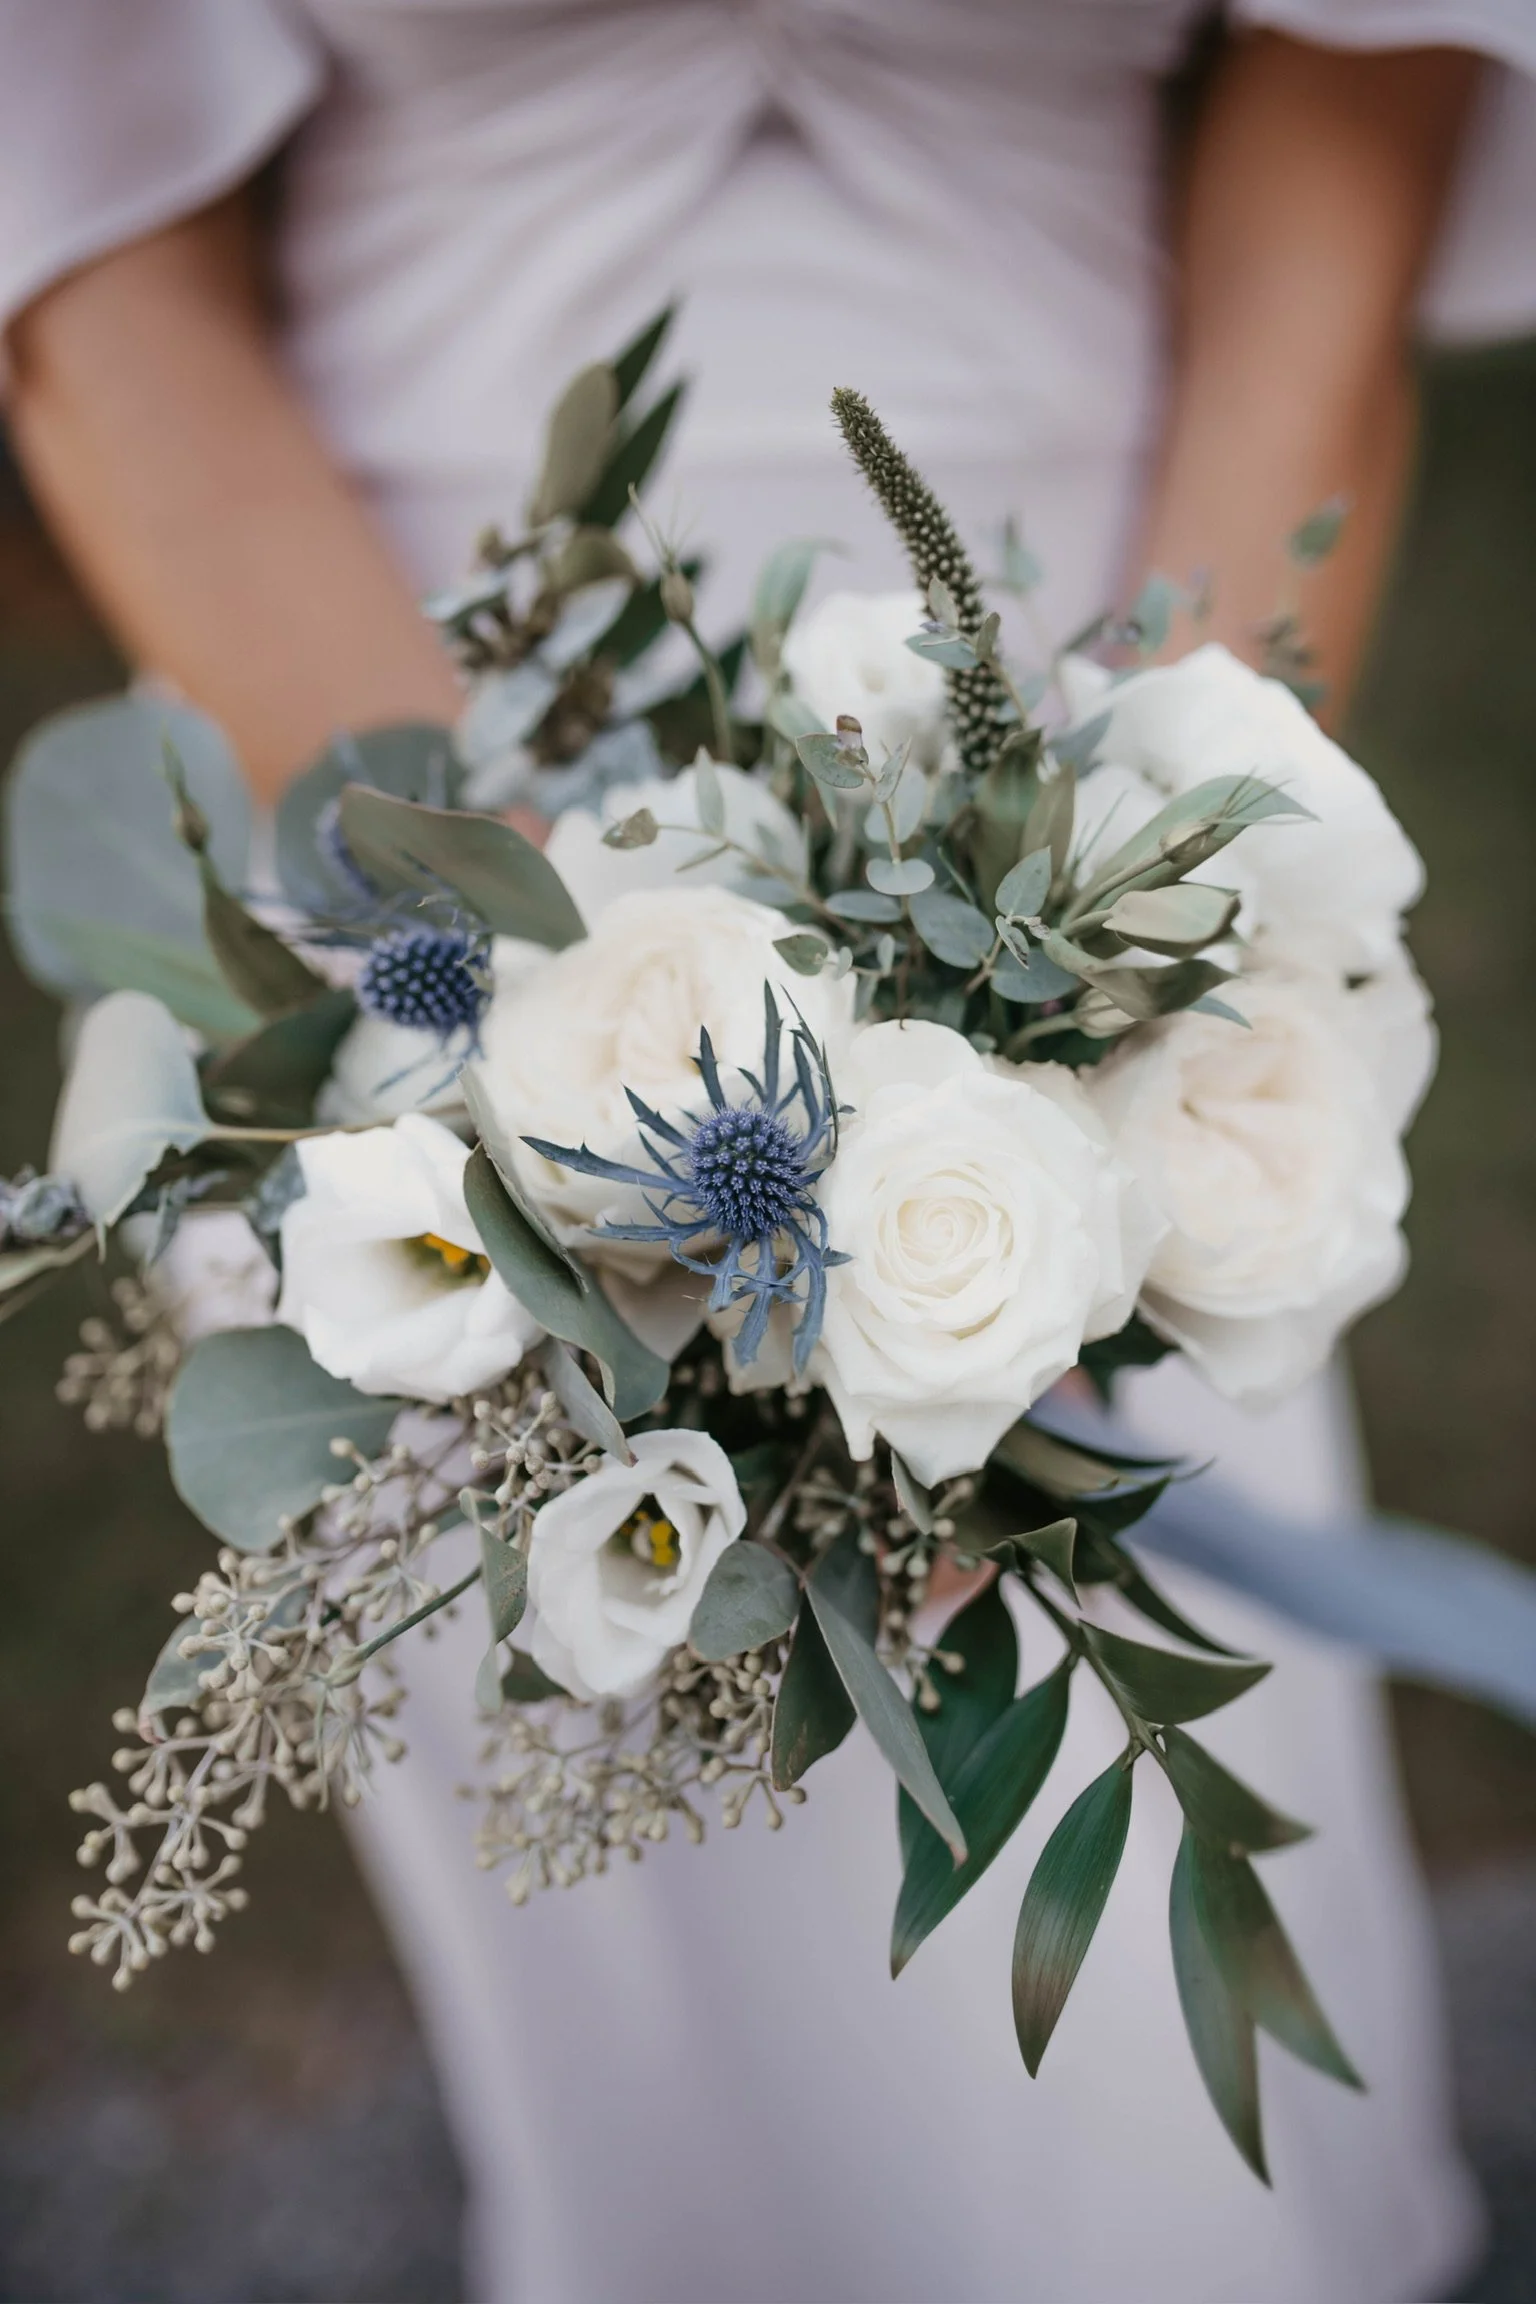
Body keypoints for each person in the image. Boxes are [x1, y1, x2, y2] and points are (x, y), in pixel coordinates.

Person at [3, 7, 1533, 2297]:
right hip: (400, 838)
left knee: (1134, 2106)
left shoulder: (1100, 975)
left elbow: (1343, 137)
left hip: (1065, 788)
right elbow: (92, 281)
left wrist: (1115, 969)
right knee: (673, 2061)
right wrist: (562, 1079)